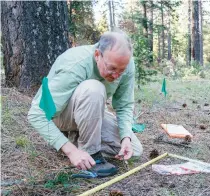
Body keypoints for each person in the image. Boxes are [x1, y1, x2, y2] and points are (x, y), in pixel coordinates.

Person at [28, 31, 143, 177]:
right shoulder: (76, 64)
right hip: (61, 116)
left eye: (121, 70)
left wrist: (125, 137)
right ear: (97, 55)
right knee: (93, 89)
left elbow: (124, 105)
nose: (116, 76)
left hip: (91, 113)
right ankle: (90, 153)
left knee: (135, 150)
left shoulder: (126, 64)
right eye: (112, 68)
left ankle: (76, 139)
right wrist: (71, 151)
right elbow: (37, 114)